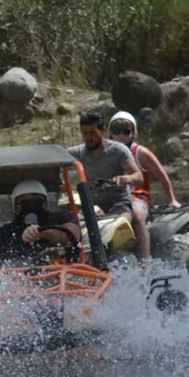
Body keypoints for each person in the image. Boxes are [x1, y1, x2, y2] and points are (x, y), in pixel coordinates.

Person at [69, 108, 148, 262]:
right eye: (85, 133)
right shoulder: (78, 152)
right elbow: (57, 155)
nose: (88, 138)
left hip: (119, 203)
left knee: (118, 226)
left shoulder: (118, 150)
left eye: (92, 133)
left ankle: (143, 265)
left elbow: (138, 176)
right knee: (70, 227)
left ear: (103, 131)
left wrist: (125, 179)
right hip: (91, 206)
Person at [106, 110, 182, 211]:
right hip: (114, 198)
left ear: (133, 132)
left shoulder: (141, 153)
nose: (121, 135)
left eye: (126, 132)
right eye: (117, 131)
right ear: (111, 132)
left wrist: (172, 199)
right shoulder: (105, 153)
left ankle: (142, 226)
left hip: (138, 196)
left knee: (136, 213)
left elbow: (161, 174)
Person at [0, 181, 81, 260]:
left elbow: (73, 236)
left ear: (45, 204)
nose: (31, 206)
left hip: (62, 272)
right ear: (16, 207)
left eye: (37, 202)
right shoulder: (6, 232)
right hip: (18, 275)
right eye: (24, 203)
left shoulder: (61, 218)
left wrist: (42, 232)